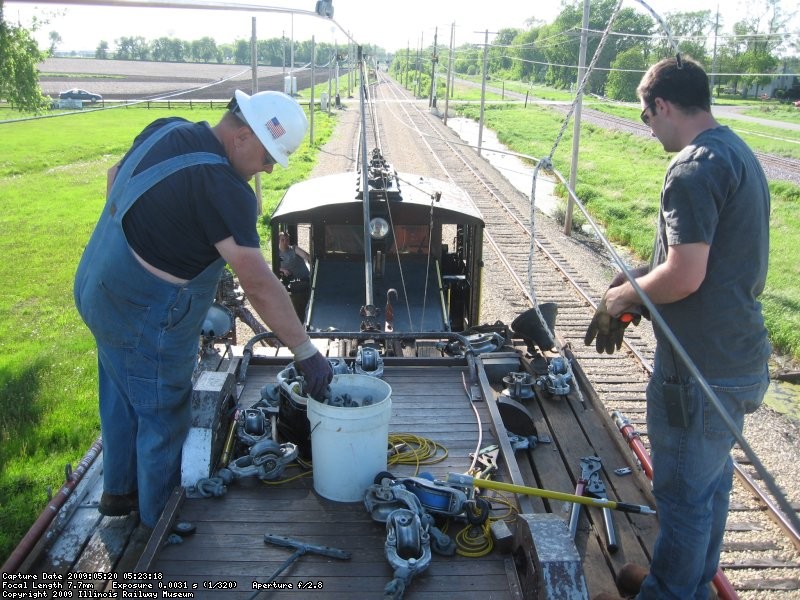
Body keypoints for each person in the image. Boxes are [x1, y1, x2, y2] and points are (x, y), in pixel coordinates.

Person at [73, 89, 333, 529]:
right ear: (244, 135)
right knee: (162, 413)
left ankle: (118, 492)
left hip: (97, 285)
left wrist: (156, 237)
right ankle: (158, 525)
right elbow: (258, 282)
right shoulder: (226, 189)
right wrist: (306, 351)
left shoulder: (169, 129)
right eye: (269, 156)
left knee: (119, 386)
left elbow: (116, 178)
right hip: (144, 312)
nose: (269, 167)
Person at [587, 56, 771, 600]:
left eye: (646, 116)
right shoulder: (735, 151)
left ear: (662, 105)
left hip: (697, 369)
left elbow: (686, 276)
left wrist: (622, 295)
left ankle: (667, 592)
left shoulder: (691, 168)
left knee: (683, 497)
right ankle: (688, 582)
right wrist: (642, 279)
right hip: (737, 355)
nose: (648, 128)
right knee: (710, 485)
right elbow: (710, 263)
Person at [277, 231, 311, 319]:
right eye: (282, 240)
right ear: (278, 241)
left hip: (304, 281)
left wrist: (309, 259)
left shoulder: (294, 249)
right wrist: (281, 269)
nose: (285, 242)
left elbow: (306, 256)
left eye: (287, 240)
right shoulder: (276, 254)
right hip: (290, 285)